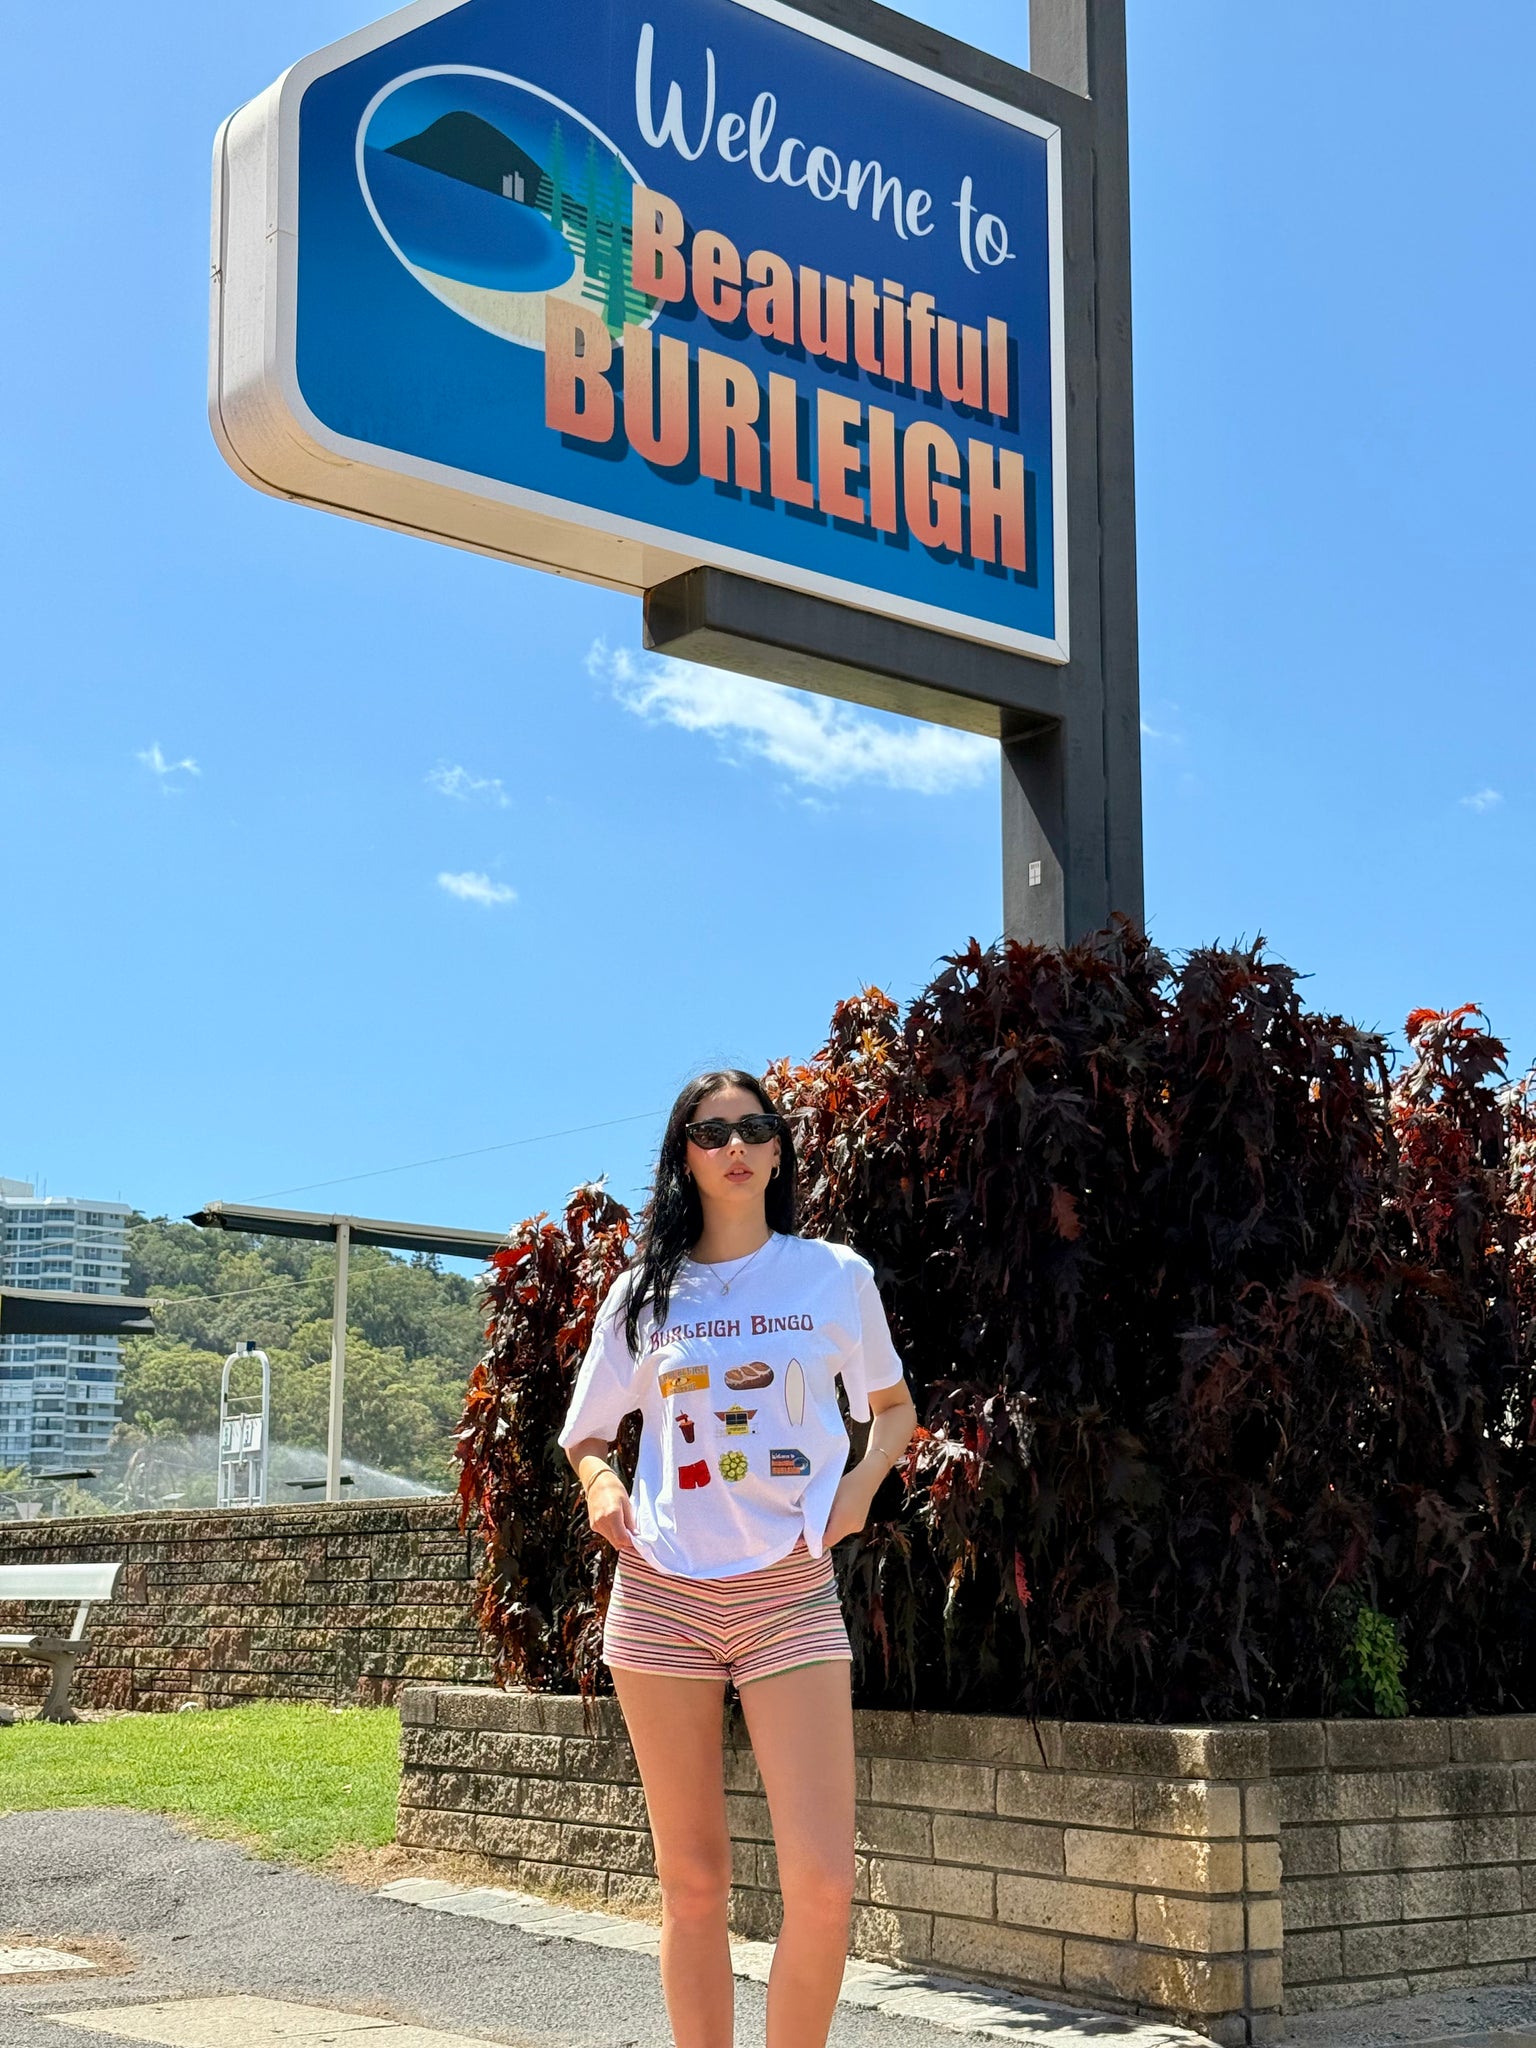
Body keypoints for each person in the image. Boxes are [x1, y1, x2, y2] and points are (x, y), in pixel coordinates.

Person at [560, 1068, 918, 2048]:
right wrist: (602, 1489)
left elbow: (893, 1413)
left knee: (825, 1883)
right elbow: (587, 1433)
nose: (735, 1144)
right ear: (686, 1154)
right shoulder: (644, 1295)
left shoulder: (832, 1275)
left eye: (754, 1127)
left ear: (776, 1148)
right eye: (711, 1131)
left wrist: (856, 1487)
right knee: (695, 1882)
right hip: (663, 1597)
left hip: (789, 1594)